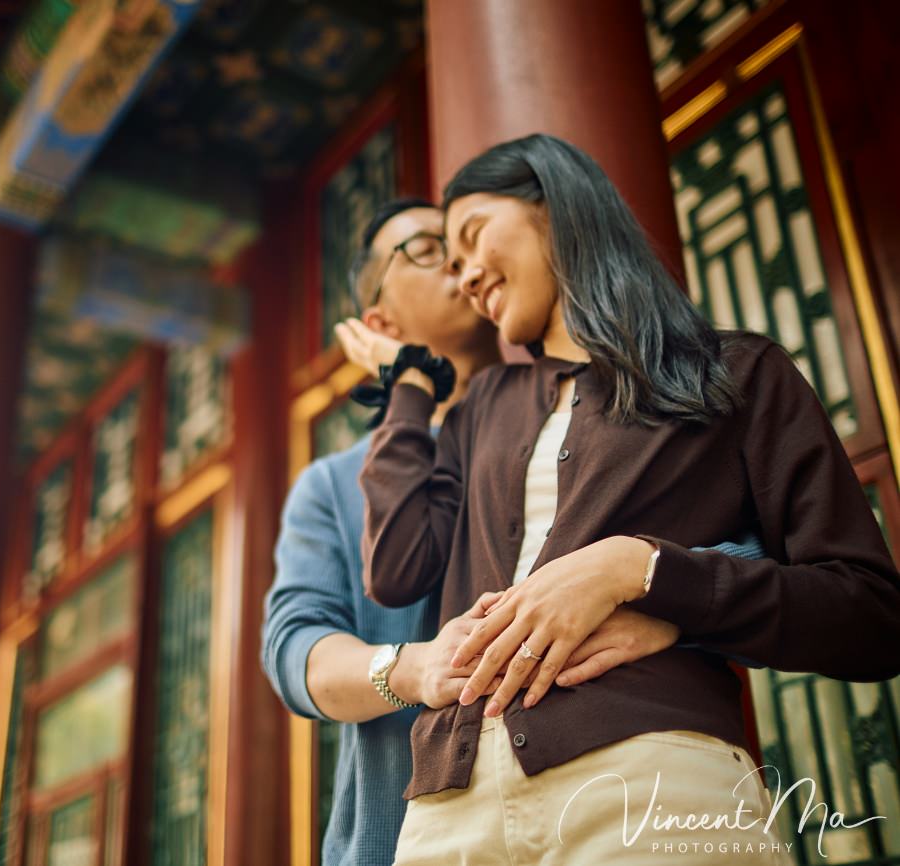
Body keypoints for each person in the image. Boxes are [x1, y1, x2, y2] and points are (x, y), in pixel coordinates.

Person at [350, 134, 900, 864]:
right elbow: (396, 567)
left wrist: (638, 569)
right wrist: (412, 387)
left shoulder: (735, 373)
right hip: (451, 814)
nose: (468, 276)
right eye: (450, 263)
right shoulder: (484, 406)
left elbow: (870, 614)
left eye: (474, 238)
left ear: (553, 206)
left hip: (652, 783)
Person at [262, 197, 763, 866]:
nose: (461, 264)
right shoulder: (334, 483)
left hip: (620, 800)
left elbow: (757, 558)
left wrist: (668, 608)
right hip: (415, 833)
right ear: (378, 320)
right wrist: (413, 669)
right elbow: (297, 648)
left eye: (469, 242)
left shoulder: (599, 410)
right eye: (426, 248)